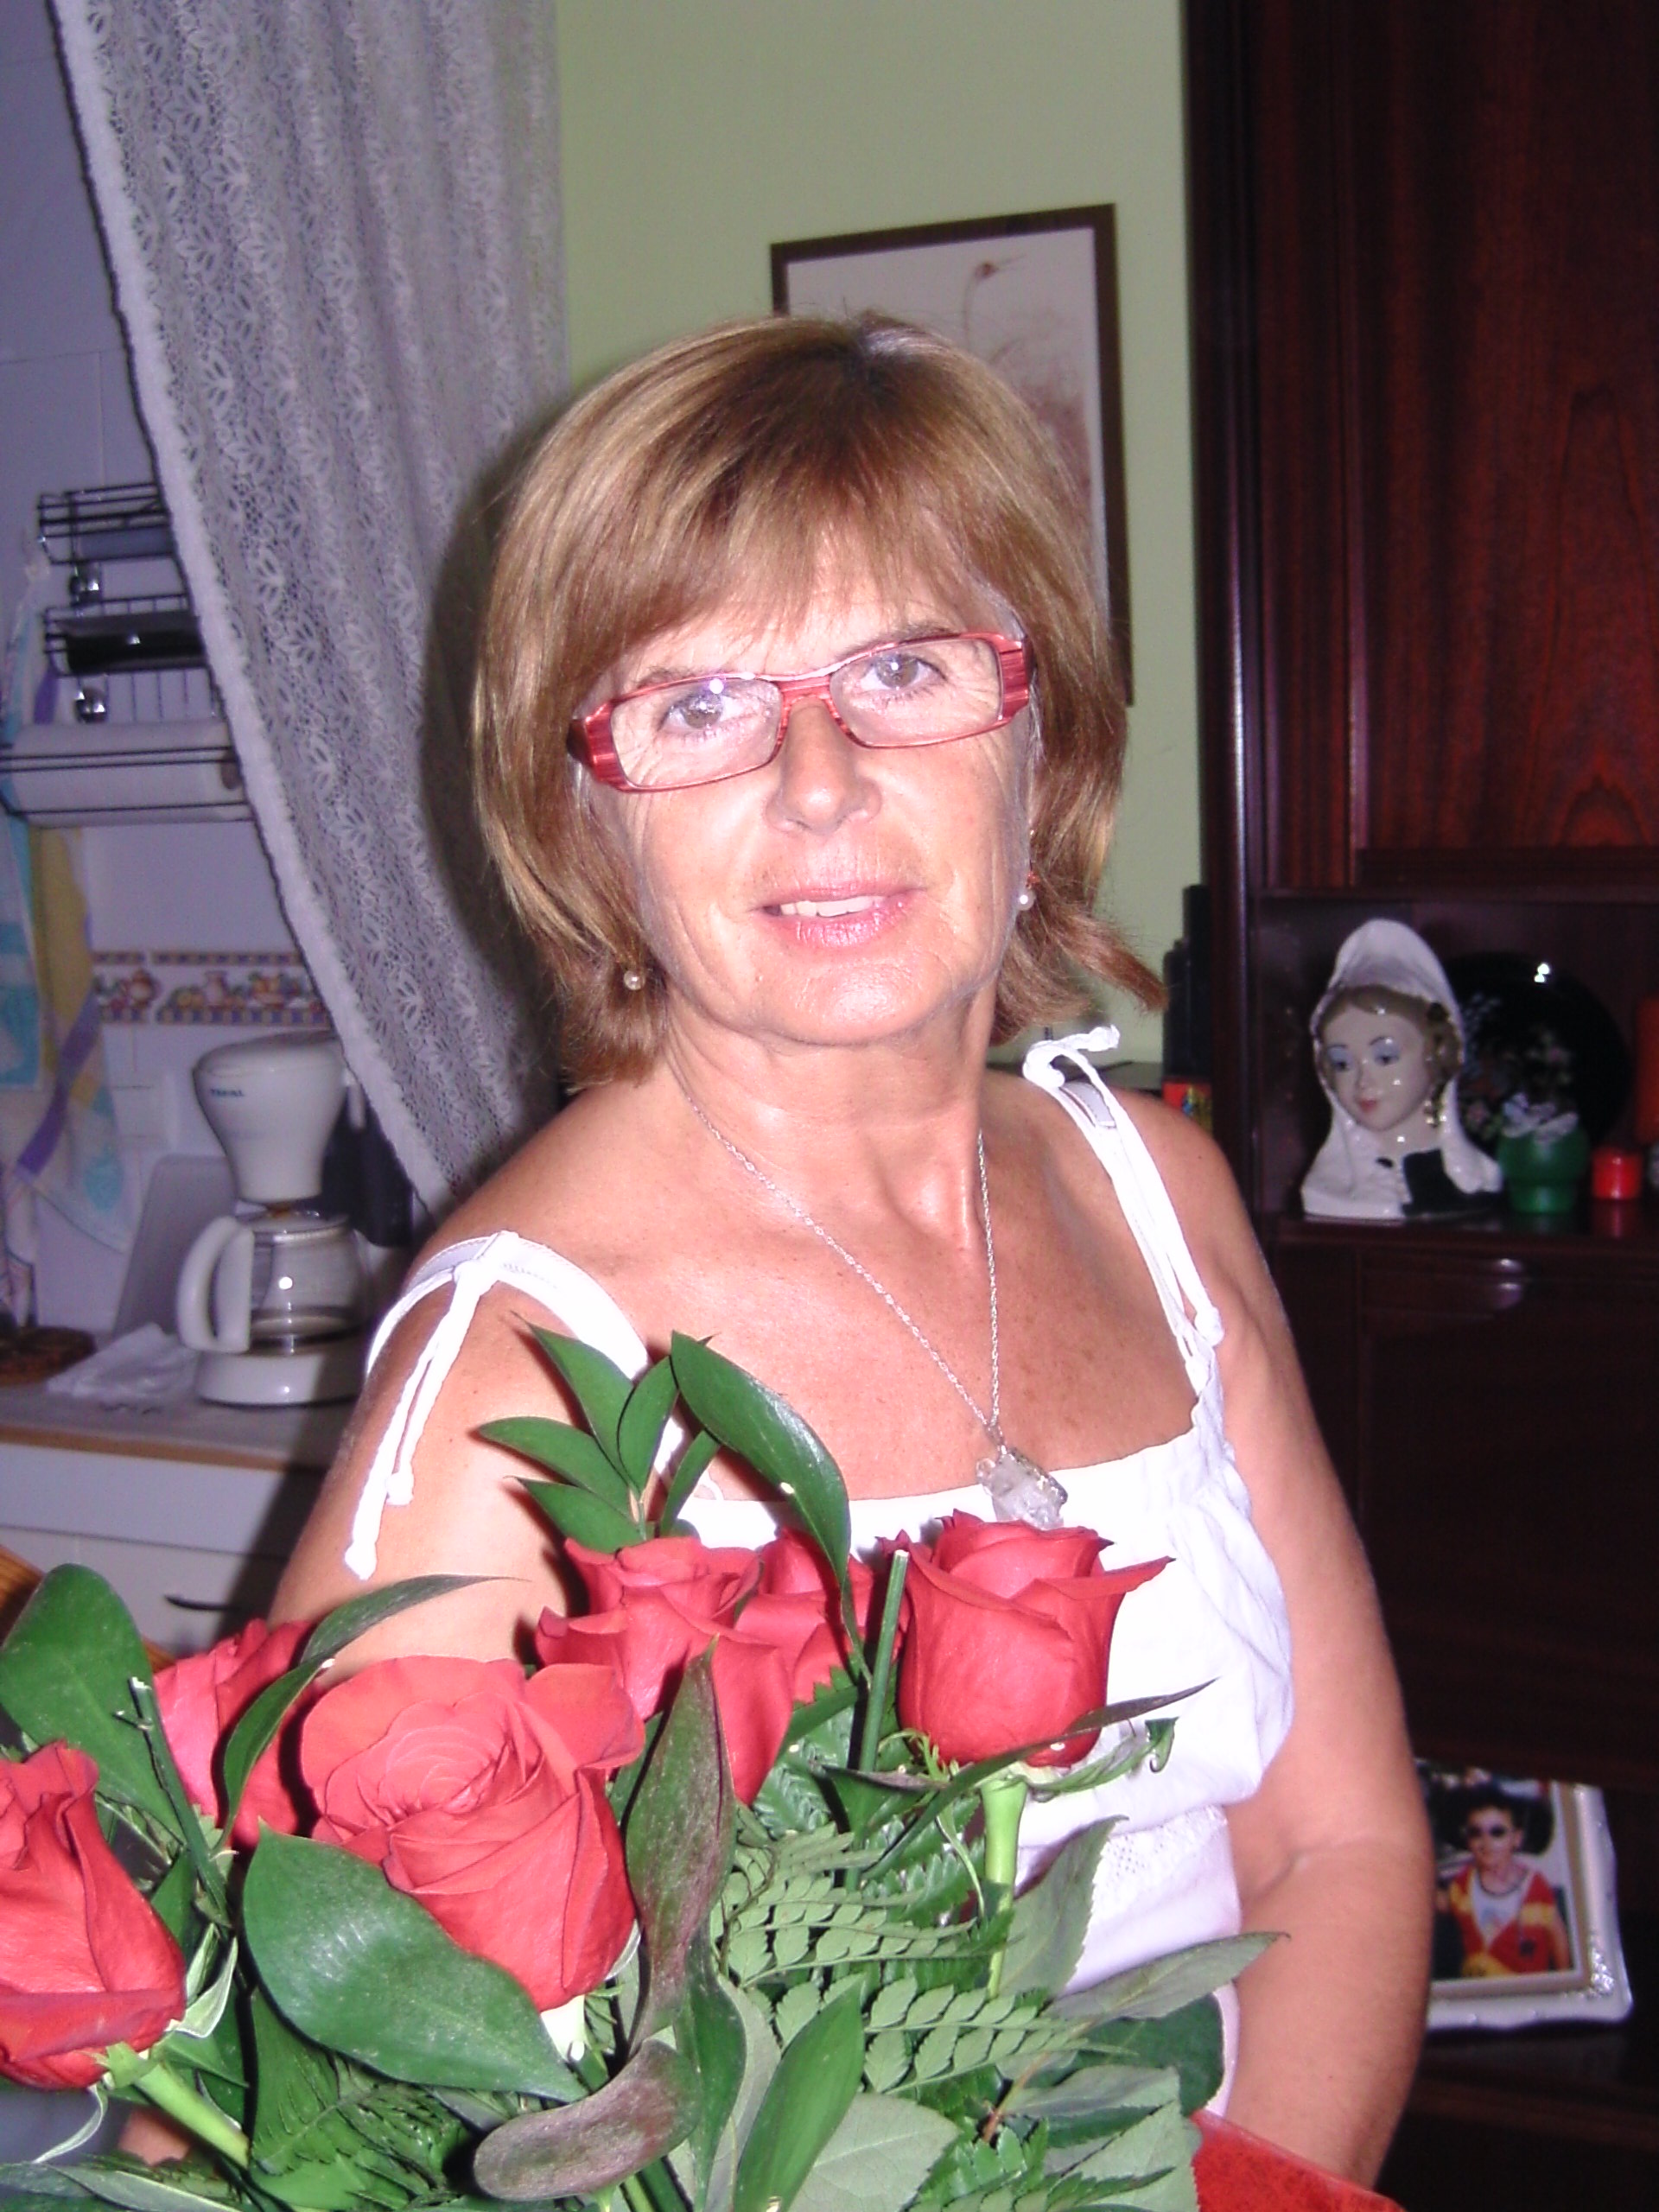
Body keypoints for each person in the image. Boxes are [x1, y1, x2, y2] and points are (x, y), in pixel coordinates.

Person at [272, 316, 1432, 2184]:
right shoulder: (515, 1373)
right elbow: (335, 2112)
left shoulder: (1158, 1193)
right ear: (588, 815)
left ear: (1041, 733)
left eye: (902, 668)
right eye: (699, 705)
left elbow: (1341, 1843)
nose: (819, 779)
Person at [1302, 919, 1503, 1221]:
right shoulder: (1328, 1188)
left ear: (1438, 1053)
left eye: (1385, 1057)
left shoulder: (1477, 1178)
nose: (1363, 1082)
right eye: (1342, 1064)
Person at [1436, 1787, 1572, 1978]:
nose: (1486, 1842)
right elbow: (1443, 1902)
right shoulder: (1463, 1883)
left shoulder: (1536, 1889)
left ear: (1516, 1838)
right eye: (1476, 1833)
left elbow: (1558, 1939)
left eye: (1497, 1833)